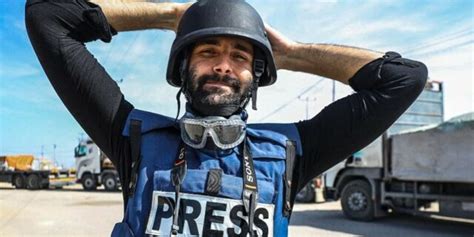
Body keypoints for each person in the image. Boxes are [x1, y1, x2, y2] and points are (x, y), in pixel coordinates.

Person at [25, 0, 428, 236]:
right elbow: (48, 16)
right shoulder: (133, 137)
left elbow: (404, 78)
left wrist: (291, 54)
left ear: (257, 76)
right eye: (206, 51)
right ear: (183, 66)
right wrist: (175, 15)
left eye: (240, 57)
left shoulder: (291, 152)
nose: (223, 66)